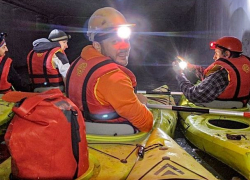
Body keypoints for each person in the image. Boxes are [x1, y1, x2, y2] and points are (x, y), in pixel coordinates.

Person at [66, 7, 153, 132]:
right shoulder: (114, 78)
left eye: (126, 40)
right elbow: (146, 123)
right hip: (116, 137)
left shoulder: (75, 65)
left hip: (81, 131)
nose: (125, 47)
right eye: (115, 41)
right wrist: (142, 104)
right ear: (97, 45)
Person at [172, 36, 250, 108]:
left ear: (227, 54)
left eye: (216, 53)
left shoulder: (222, 74)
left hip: (224, 105)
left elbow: (193, 95)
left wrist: (180, 75)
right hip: (241, 102)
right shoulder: (244, 65)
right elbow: (209, 76)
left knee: (192, 91)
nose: (214, 57)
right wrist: (191, 67)